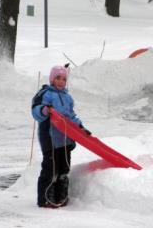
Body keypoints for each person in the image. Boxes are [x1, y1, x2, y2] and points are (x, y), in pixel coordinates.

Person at [31, 65, 91, 208]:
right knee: (50, 169)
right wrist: (44, 110)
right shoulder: (45, 93)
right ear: (52, 79)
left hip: (65, 140)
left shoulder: (67, 97)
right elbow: (35, 110)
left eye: (64, 79)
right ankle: (45, 199)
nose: (61, 82)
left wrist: (80, 127)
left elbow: (71, 116)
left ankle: (61, 197)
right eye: (58, 78)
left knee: (63, 169)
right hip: (50, 138)